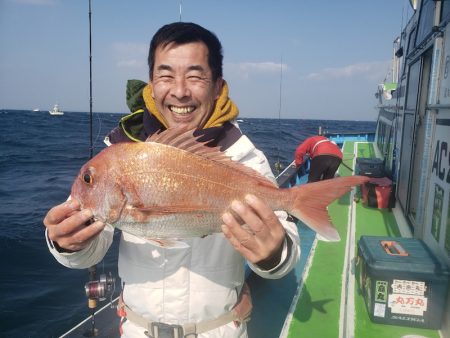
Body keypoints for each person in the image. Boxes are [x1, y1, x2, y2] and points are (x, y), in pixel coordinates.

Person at [43, 22, 300, 338]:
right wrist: (67, 244)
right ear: (151, 85)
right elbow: (92, 246)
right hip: (137, 330)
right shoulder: (121, 153)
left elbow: (284, 253)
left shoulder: (243, 157)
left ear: (218, 86)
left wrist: (272, 253)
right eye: (166, 76)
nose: (180, 91)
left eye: (195, 76)